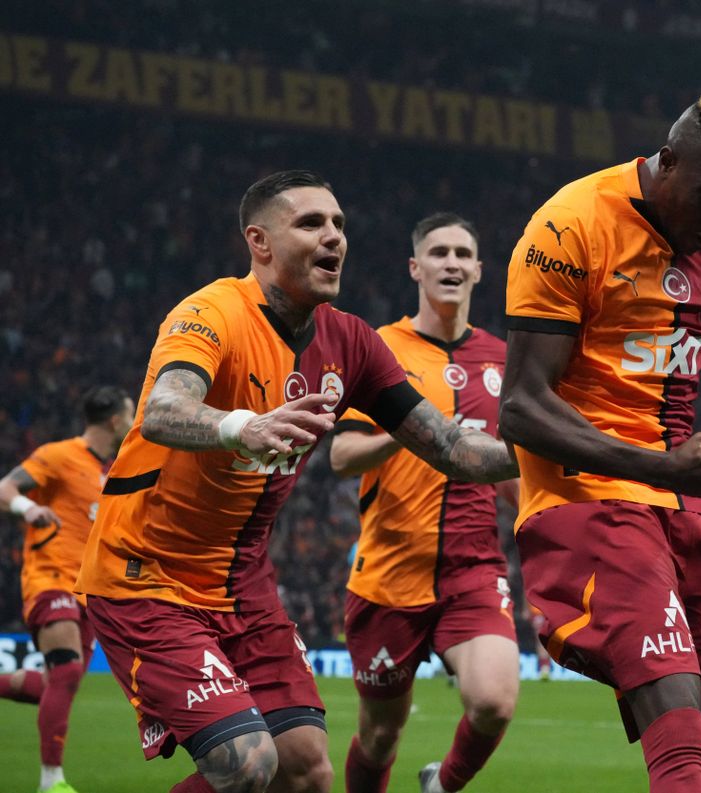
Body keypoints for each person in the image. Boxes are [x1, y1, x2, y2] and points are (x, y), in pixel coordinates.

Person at [74, 170, 517, 793]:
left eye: (339, 224)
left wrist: (582, 449)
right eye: (311, 223)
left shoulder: (351, 342)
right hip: (146, 575)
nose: (333, 236)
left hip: (244, 584)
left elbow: (453, 449)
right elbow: (164, 410)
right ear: (260, 241)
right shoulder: (212, 311)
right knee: (248, 762)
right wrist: (241, 428)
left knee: (306, 769)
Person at [499, 91, 701, 793]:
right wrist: (658, 465)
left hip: (686, 506)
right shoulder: (572, 223)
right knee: (681, 732)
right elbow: (524, 406)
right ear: (668, 161)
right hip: (584, 498)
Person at [330, 213, 519, 793]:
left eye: (464, 253)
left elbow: (514, 471)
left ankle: (441, 786)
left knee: (493, 702)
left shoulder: (504, 358)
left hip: (474, 569)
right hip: (389, 576)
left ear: (480, 271)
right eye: (439, 253)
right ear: (416, 267)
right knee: (380, 735)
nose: (452, 263)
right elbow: (342, 457)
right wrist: (415, 428)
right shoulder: (380, 347)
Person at [0, 385, 134, 793]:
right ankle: (51, 782)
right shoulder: (58, 455)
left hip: (89, 591)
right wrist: (29, 507)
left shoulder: (113, 471)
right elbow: (5, 488)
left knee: (56, 681)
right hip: (48, 579)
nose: (133, 423)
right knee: (70, 670)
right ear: (114, 420)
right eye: (130, 415)